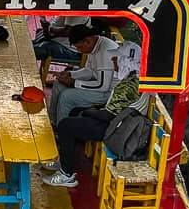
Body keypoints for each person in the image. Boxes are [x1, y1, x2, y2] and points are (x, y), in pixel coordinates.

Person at [43, 42, 146, 188]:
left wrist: (87, 112)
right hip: (118, 122)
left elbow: (107, 115)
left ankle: (67, 174)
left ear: (126, 62)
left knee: (66, 125)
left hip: (115, 130)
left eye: (117, 59)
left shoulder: (129, 85)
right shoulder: (134, 79)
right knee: (74, 114)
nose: (113, 61)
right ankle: (65, 159)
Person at [47, 24, 119, 124]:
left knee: (67, 96)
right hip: (99, 84)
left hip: (110, 93)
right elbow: (89, 70)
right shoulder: (95, 44)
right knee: (59, 84)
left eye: (80, 47)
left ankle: (61, 130)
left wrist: (74, 83)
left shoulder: (106, 51)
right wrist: (70, 74)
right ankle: (52, 121)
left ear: (87, 41)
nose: (79, 51)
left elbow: (103, 86)